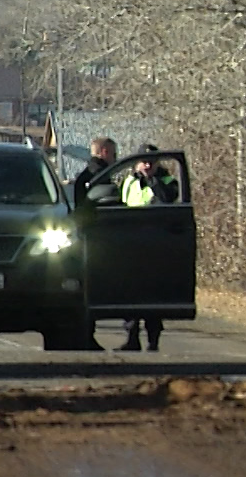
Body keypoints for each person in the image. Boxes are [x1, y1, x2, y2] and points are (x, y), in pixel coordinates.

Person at [118, 144, 180, 351]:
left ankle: (153, 340)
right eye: (144, 161)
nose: (147, 164)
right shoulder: (128, 182)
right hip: (130, 245)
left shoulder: (168, 181)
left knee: (152, 295)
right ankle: (131, 338)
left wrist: (152, 180)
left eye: (151, 161)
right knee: (128, 294)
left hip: (156, 246)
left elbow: (167, 199)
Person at [72, 136, 118, 204]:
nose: (115, 159)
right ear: (105, 152)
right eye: (114, 154)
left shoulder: (88, 172)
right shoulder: (100, 174)